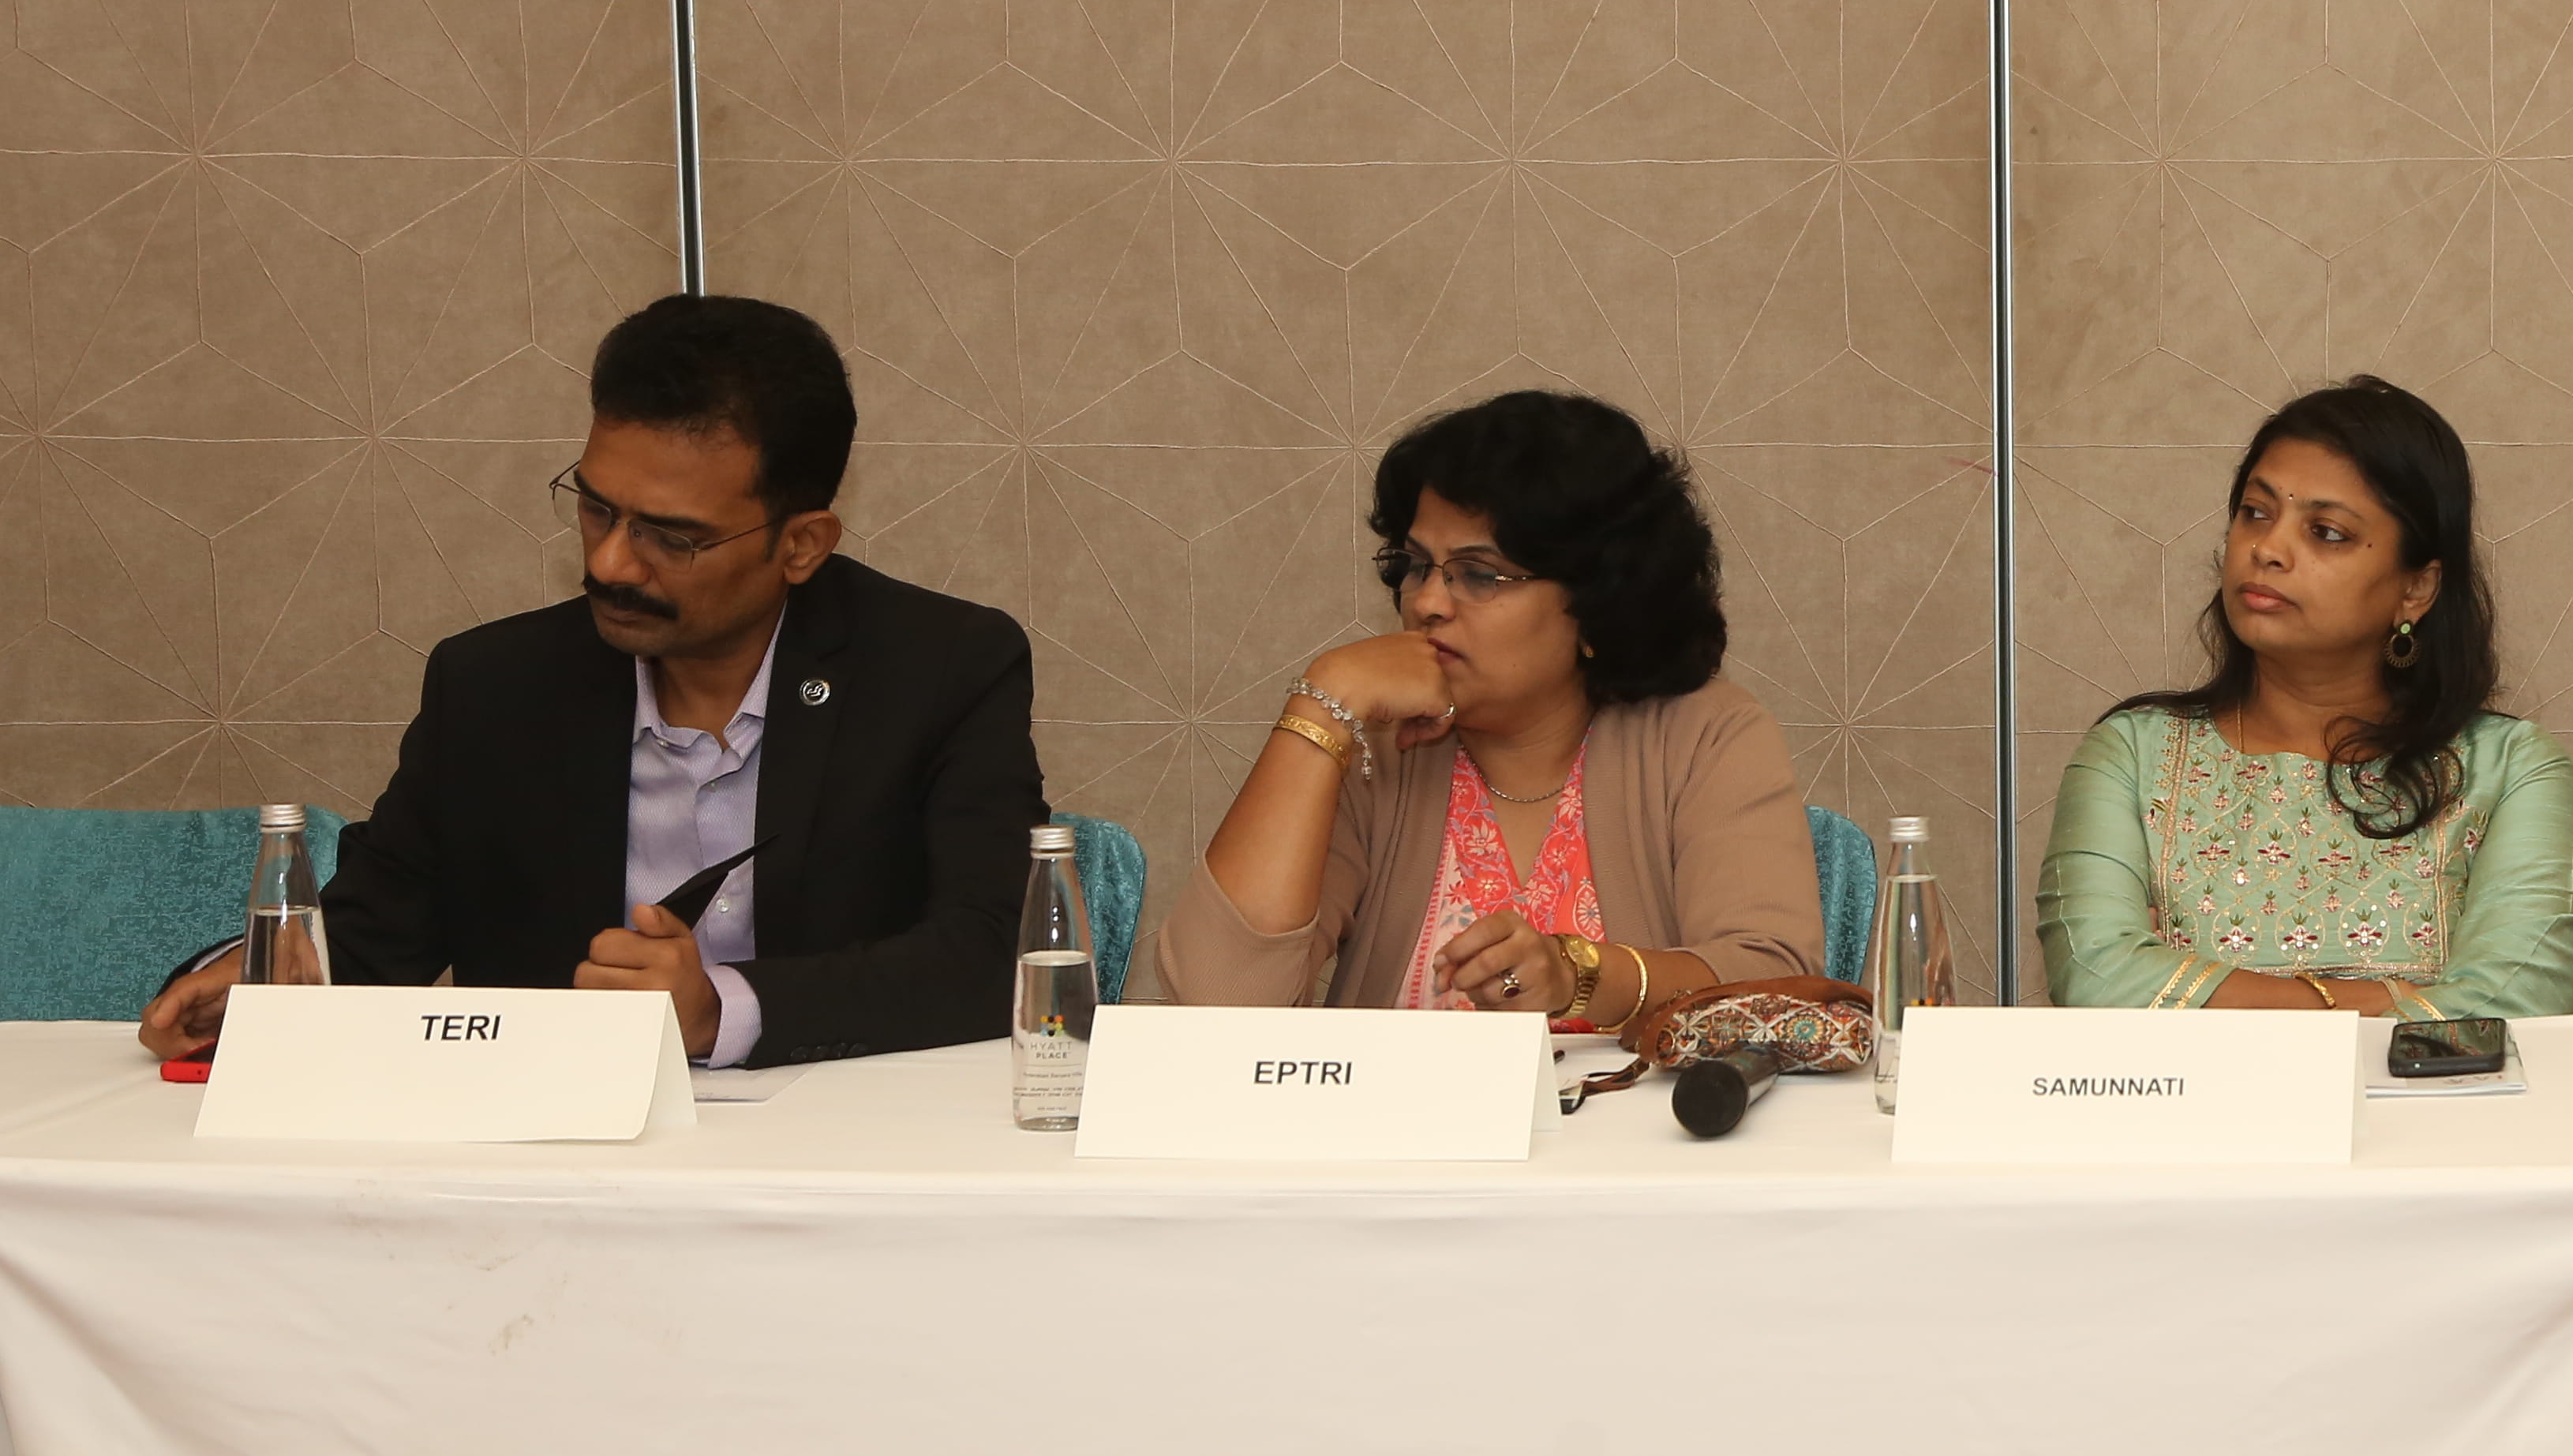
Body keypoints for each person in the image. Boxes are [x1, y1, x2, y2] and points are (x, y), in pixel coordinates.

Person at [137, 294, 1047, 1068]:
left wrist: (721, 1011)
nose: (611, 562)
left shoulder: (942, 668)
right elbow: (376, 935)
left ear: (801, 544)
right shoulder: (496, 686)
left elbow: (993, 952)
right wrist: (259, 979)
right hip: (549, 1150)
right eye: (597, 508)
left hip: (840, 1145)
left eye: (671, 537)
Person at [1152, 391, 1821, 1020]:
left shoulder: (1703, 736)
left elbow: (1774, 987)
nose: (1426, 602)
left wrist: (1582, 977)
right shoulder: (1371, 749)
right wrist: (1323, 706)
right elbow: (1212, 1010)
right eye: (1417, 566)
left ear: (1597, 602)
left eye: (1479, 574)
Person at [2039, 376, 2573, 1016]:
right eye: (2256, 512)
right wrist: (2385, 1000)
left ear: (2416, 589)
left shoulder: (2511, 770)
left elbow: (2511, 1011)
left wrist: (2194, 994)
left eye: (2327, 532)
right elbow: (2097, 979)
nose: (2267, 549)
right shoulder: (2133, 756)